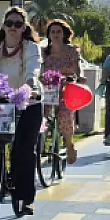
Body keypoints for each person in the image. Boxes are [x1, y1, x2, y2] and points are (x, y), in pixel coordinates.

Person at [0, 6, 43, 215]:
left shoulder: (30, 47)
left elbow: (34, 67)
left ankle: (26, 198)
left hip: (28, 103)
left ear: (24, 28)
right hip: (3, 102)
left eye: (18, 24)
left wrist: (31, 86)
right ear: (3, 26)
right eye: (9, 23)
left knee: (24, 150)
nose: (13, 27)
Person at [39, 18, 82, 165]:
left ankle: (69, 144)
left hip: (66, 87)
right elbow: (40, 69)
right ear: (49, 35)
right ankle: (40, 144)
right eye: (53, 31)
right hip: (49, 87)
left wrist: (79, 77)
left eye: (59, 31)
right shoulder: (44, 52)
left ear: (64, 34)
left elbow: (77, 67)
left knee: (64, 115)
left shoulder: (72, 51)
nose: (56, 34)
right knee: (42, 114)